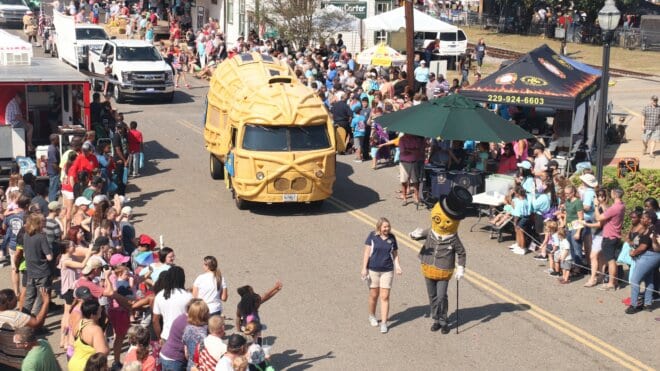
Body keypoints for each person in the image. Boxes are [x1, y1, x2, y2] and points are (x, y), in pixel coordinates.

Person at [417, 187, 471, 334]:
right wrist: (418, 234)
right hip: (428, 265)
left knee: (441, 296)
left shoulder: (453, 238)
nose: (442, 224)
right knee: (432, 296)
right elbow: (427, 231)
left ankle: (444, 320)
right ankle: (436, 319)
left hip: (443, 269)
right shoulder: (433, 231)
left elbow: (462, 252)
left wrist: (461, 268)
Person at [361, 217, 401, 334]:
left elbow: (395, 254)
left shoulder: (392, 238)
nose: (387, 229)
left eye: (388, 227)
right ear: (379, 227)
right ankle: (372, 316)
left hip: (387, 271)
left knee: (385, 296)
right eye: (385, 227)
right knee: (374, 295)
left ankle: (384, 323)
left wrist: (397, 266)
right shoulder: (372, 236)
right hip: (373, 270)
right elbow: (366, 253)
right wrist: (364, 268)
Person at [626, 211, 659, 314]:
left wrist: (634, 252)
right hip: (651, 257)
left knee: (635, 279)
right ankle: (647, 304)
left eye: (644, 218)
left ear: (649, 220)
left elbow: (643, 246)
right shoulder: (649, 229)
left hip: (649, 256)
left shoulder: (652, 231)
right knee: (648, 279)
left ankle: (634, 305)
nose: (642, 219)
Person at [21, 214, 54, 316]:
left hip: (30, 271)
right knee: (40, 300)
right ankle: (34, 324)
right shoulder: (41, 237)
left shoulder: (26, 235)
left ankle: (23, 321)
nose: (44, 224)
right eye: (42, 222)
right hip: (42, 272)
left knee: (29, 298)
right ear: (38, 224)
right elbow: (49, 257)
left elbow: (25, 253)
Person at [594, 188, 626, 290]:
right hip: (615, 235)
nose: (610, 195)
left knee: (611, 261)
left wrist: (596, 206)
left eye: (611, 193)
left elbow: (599, 218)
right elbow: (610, 214)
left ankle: (611, 283)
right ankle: (614, 281)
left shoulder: (615, 207)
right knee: (612, 260)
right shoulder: (621, 205)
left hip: (610, 237)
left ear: (615, 195)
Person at [153, 266, 192, 342]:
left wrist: (159, 337)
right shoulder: (188, 296)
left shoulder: (160, 295)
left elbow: (155, 320)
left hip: (166, 336)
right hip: (184, 336)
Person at [68, 299, 110, 371]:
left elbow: (72, 341)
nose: (101, 311)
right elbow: (102, 354)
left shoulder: (79, 323)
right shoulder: (95, 330)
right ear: (92, 315)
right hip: (86, 367)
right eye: (99, 310)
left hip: (73, 364)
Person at [182, 299, 210, 370]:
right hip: (200, 367)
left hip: (190, 365)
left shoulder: (187, 328)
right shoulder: (204, 334)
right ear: (204, 315)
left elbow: (186, 353)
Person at [398, 134, 425, 206]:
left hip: (414, 162)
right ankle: (404, 197)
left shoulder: (416, 139)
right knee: (404, 181)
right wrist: (413, 150)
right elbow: (403, 151)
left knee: (415, 181)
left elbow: (419, 151)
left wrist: (409, 150)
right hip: (404, 163)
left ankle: (416, 197)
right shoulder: (402, 139)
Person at [47, 134, 62, 202]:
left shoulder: (54, 147)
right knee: (53, 189)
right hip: (54, 172)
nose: (59, 140)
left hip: (54, 172)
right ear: (54, 140)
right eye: (57, 139)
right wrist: (60, 171)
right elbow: (54, 164)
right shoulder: (52, 149)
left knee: (55, 188)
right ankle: (52, 204)